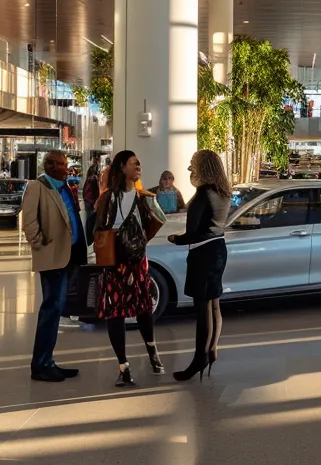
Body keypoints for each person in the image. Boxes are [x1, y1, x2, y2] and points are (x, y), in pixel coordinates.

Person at [91, 150, 168, 387]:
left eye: (139, 164)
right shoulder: (107, 198)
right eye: (134, 164)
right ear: (121, 167)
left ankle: (152, 351)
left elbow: (155, 223)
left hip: (136, 262)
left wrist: (138, 240)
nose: (138, 167)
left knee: (143, 308)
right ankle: (123, 366)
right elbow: (98, 230)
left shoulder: (145, 197)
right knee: (115, 314)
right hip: (115, 263)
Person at [21, 150, 85, 382]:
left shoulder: (65, 186)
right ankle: (40, 365)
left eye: (65, 164)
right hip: (53, 256)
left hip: (68, 255)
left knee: (57, 309)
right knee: (51, 309)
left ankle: (48, 360)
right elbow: (28, 220)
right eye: (58, 164)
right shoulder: (37, 186)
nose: (64, 168)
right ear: (48, 165)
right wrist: (40, 244)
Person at [168, 149, 231, 381]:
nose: (189, 169)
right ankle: (211, 351)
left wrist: (176, 239)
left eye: (192, 165)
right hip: (218, 249)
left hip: (203, 253)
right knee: (214, 304)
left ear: (203, 167)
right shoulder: (223, 191)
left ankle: (199, 358)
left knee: (202, 308)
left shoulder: (203, 194)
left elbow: (193, 233)